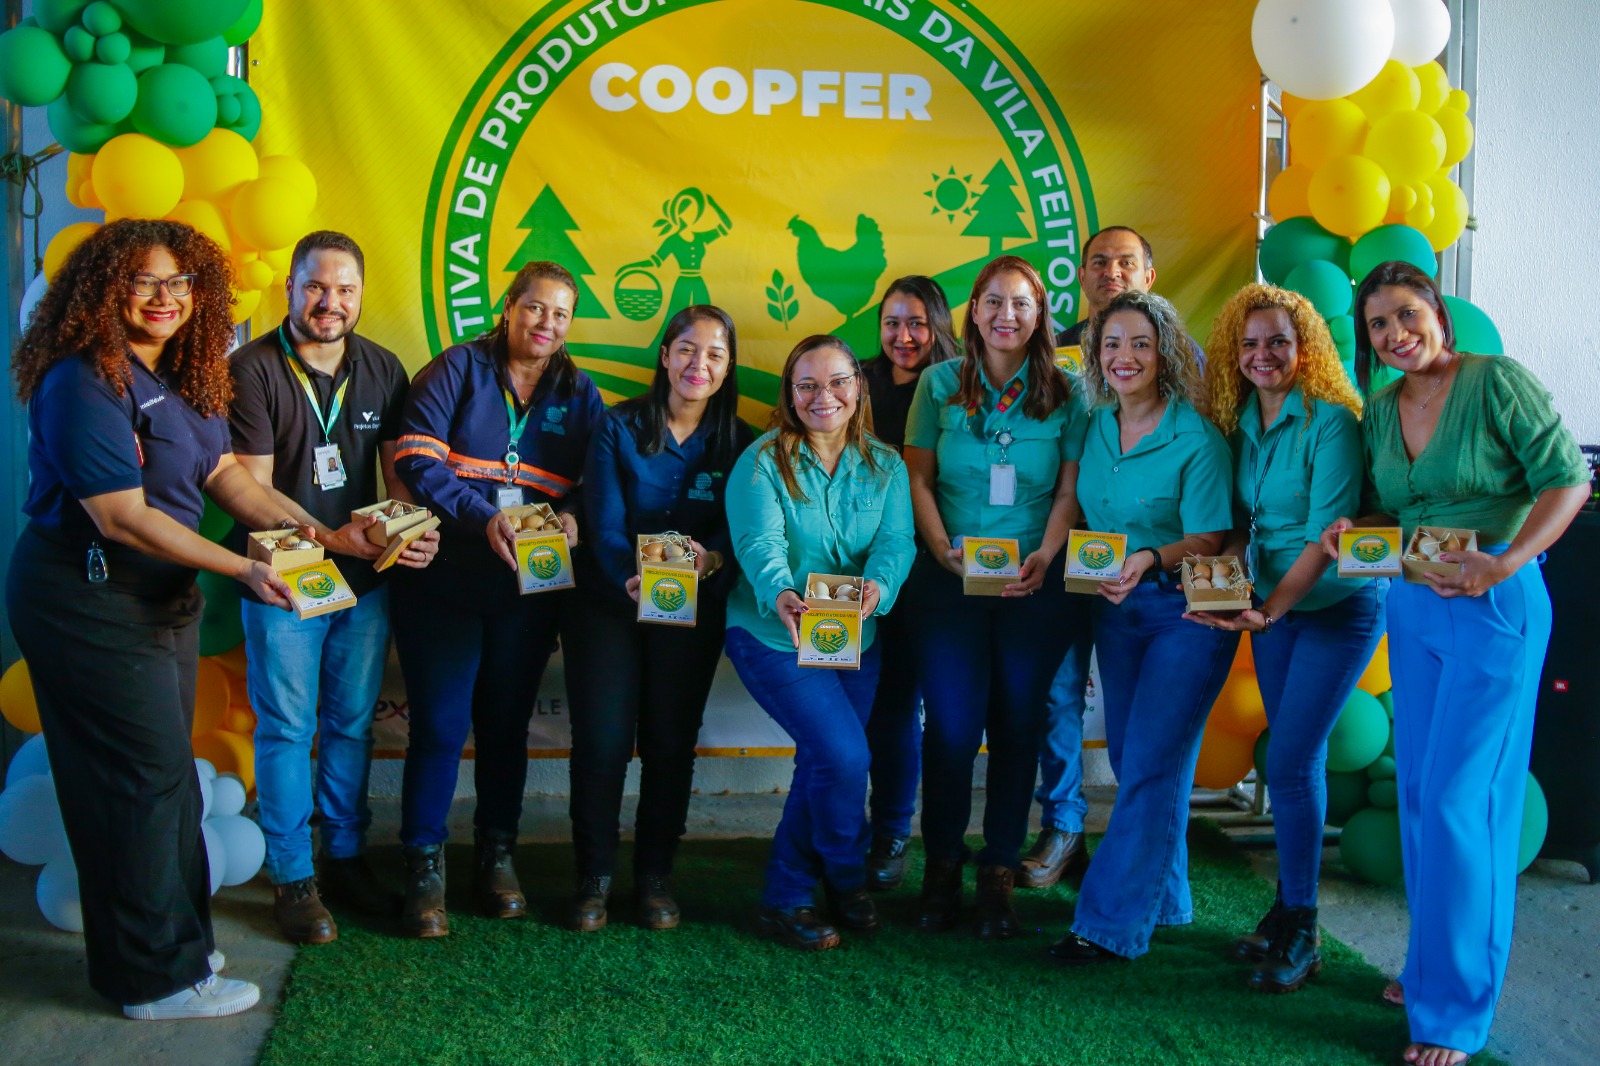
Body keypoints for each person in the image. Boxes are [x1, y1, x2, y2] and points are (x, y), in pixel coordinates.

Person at [6, 219, 308, 1018]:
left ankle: (173, 945)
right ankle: (154, 980)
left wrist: (313, 532)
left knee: (163, 780)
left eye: (180, 282)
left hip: (157, 600)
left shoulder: (180, 374)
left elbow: (226, 476)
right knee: (134, 786)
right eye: (144, 282)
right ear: (105, 289)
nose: (165, 298)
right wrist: (247, 565)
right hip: (89, 601)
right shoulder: (81, 381)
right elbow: (123, 518)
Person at [1319, 262, 1587, 1066]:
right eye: (1377, 325)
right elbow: (1387, 512)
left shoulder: (1495, 382)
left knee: (1465, 806)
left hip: (1493, 603)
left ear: (1439, 312)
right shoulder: (1381, 410)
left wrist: (1503, 566)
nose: (1395, 334)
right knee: (1419, 797)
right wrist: (1348, 531)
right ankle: (1429, 966)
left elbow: (1567, 480)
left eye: (1407, 314)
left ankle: (1457, 1014)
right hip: (1412, 603)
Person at [228, 231, 439, 945]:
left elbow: (398, 477)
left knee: (350, 726)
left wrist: (411, 528)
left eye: (345, 289)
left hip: (364, 583)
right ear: (289, 287)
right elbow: (251, 493)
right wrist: (331, 539)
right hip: (283, 579)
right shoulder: (250, 370)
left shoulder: (381, 367)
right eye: (316, 286)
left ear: (360, 293)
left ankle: (344, 858)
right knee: (288, 728)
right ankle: (293, 877)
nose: (330, 302)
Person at [390, 261, 604, 937]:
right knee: (441, 729)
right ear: (508, 308)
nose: (547, 324)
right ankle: (424, 868)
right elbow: (415, 462)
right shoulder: (456, 367)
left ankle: (497, 855)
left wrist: (572, 515)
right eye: (535, 308)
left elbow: (597, 480)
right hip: (445, 581)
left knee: (507, 727)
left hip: (527, 591)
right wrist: (482, 514)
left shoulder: (580, 390)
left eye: (561, 315)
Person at [1185, 283, 1384, 992]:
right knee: (1289, 765)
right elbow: (1247, 528)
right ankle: (1285, 910)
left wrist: (1265, 607)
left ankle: (1303, 926)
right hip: (1273, 609)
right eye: (1250, 343)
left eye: (1278, 341)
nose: (1263, 354)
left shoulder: (1333, 422)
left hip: (1333, 609)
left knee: (1295, 760)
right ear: (1233, 354)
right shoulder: (1240, 426)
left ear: (1306, 350)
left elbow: (1323, 538)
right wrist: (1226, 584)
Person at [1046, 289, 1235, 965]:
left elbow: (1210, 537)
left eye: (1140, 345)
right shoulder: (1094, 425)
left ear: (1166, 354)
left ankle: (1108, 925)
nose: (1125, 358)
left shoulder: (1196, 437)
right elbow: (1079, 508)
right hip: (1115, 609)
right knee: (1134, 757)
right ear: (1096, 357)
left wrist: (1150, 557)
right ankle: (1169, 898)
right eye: (1112, 345)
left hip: (1184, 610)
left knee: (1152, 760)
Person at [902, 255, 1087, 938]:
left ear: (1040, 317)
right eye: (993, 302)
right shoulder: (938, 383)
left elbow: (1068, 488)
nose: (1006, 315)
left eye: (1022, 304)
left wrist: (1045, 554)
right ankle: (941, 869)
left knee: (1016, 727)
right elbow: (916, 478)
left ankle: (998, 875)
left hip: (1035, 582)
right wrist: (942, 547)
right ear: (972, 312)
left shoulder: (1068, 390)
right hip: (949, 579)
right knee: (949, 730)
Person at [723, 334, 915, 951]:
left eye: (836, 381)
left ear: (857, 388)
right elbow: (760, 546)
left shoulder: (886, 464)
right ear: (790, 394)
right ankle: (841, 875)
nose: (822, 396)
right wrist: (779, 593)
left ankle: (794, 892)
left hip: (853, 635)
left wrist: (877, 591)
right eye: (807, 384)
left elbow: (896, 543)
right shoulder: (761, 461)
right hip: (773, 635)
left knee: (824, 762)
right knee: (844, 758)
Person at [565, 305, 753, 932]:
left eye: (715, 355)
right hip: (610, 605)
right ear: (665, 355)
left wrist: (715, 557)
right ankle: (592, 877)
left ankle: (653, 878)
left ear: (728, 368)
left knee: (671, 746)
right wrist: (630, 575)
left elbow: (742, 532)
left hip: (690, 611)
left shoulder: (741, 442)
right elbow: (604, 524)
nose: (700, 364)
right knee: (602, 743)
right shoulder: (617, 426)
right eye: (687, 350)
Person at [1024, 225, 1186, 889]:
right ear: (1081, 276)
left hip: (1152, 569)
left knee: (1136, 727)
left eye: (1126, 261)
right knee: (1059, 694)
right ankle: (1063, 825)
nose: (1111, 271)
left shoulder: (1179, 356)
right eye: (1098, 262)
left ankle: (1141, 855)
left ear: (1148, 274)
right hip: (1064, 553)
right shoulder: (1052, 354)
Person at [858, 276, 959, 891]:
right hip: (859, 572)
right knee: (866, 710)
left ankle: (895, 831)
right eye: (892, 323)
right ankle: (849, 829)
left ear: (939, 326)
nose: (904, 336)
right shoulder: (854, 383)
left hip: (934, 573)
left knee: (907, 707)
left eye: (917, 323)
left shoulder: (958, 386)